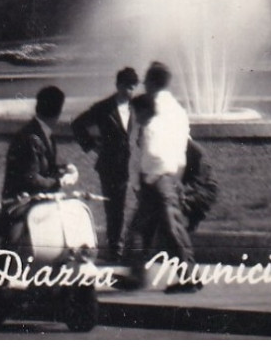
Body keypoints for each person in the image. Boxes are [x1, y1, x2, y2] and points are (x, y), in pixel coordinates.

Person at [129, 62, 200, 292]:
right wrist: (176, 173)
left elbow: (150, 149)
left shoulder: (150, 108)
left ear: (151, 82)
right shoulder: (178, 110)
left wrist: (145, 179)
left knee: (168, 228)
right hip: (171, 174)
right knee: (146, 227)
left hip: (156, 177)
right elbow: (183, 146)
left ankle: (186, 277)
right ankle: (137, 274)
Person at [71, 66, 140, 259]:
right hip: (111, 165)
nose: (131, 92)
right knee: (114, 206)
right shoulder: (103, 108)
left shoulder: (136, 107)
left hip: (132, 164)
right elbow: (77, 124)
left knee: (130, 205)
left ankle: (125, 246)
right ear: (118, 85)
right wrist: (92, 145)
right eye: (128, 87)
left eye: (134, 87)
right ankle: (115, 247)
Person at [2, 85, 77, 199]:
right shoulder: (30, 137)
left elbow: (45, 169)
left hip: (37, 200)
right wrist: (60, 182)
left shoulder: (45, 134)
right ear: (59, 111)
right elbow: (31, 178)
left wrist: (64, 169)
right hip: (20, 203)